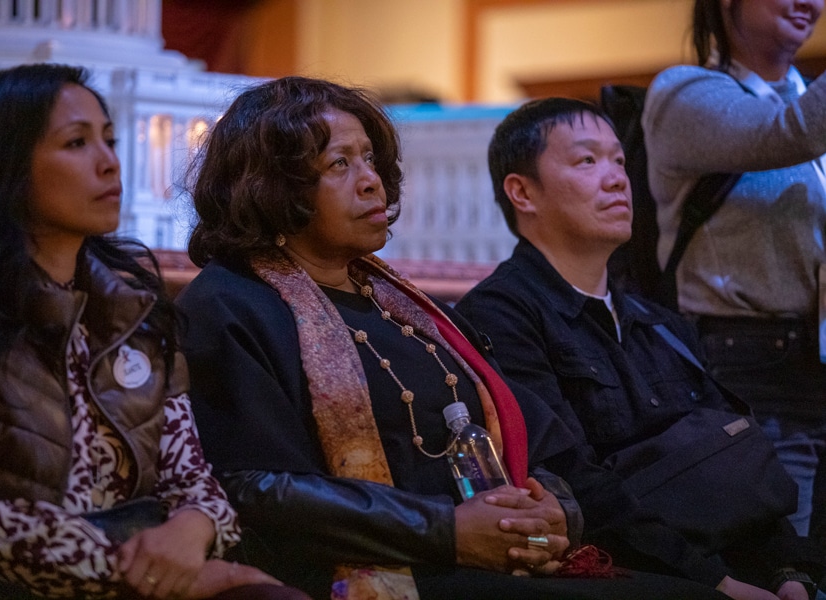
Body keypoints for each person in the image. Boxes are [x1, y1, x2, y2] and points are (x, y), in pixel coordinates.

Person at [175, 75, 735, 600]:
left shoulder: (408, 306)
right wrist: (447, 529)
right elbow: (255, 488)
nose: (371, 178)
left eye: (370, 157)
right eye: (339, 163)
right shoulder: (230, 302)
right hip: (386, 568)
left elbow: (541, 441)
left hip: (484, 554)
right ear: (272, 186)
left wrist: (549, 507)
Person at [0, 63, 309, 600]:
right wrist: (136, 571)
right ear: (3, 167)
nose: (109, 163)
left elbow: (196, 481)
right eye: (77, 143)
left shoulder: (137, 313)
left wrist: (192, 530)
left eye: (108, 139)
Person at [455, 96, 825, 600]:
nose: (616, 179)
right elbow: (570, 482)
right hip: (630, 572)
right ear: (522, 192)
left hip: (726, 565)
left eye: (619, 162)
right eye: (587, 160)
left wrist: (788, 575)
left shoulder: (657, 321)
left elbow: (737, 466)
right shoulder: (500, 314)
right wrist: (717, 583)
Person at [641, 0, 826, 540]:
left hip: (815, 354)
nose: (807, 2)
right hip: (746, 364)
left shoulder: (805, 92)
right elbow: (787, 132)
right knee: (785, 557)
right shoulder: (686, 93)